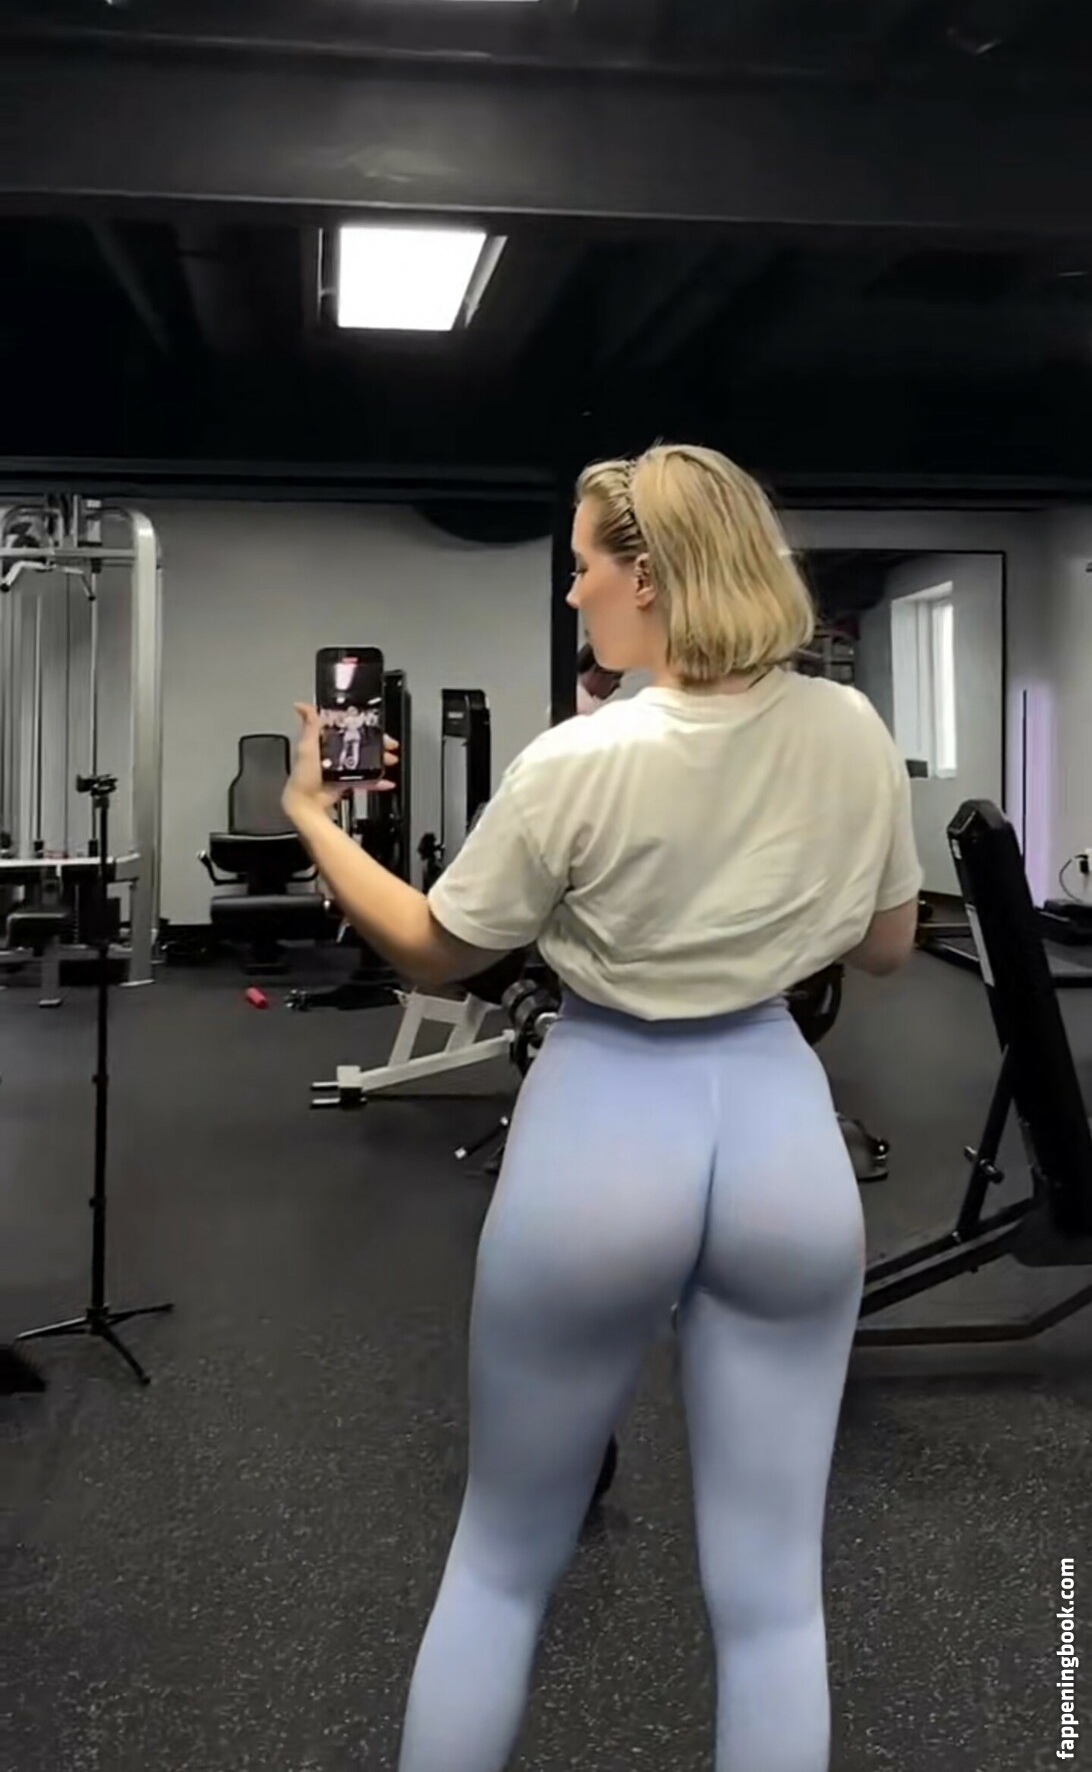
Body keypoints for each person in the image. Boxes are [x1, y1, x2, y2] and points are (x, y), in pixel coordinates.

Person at [283, 442, 922, 1772]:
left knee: (502, 1562)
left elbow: (435, 949)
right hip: (780, 1135)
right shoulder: (850, 730)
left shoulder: (575, 761)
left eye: (583, 568)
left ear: (652, 577)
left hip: (605, 1127)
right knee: (773, 1603)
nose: (573, 592)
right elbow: (885, 945)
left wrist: (316, 819)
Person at [575, 639, 622, 715]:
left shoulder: (567, 695)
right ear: (597, 669)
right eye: (616, 677)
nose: (618, 685)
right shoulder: (583, 708)